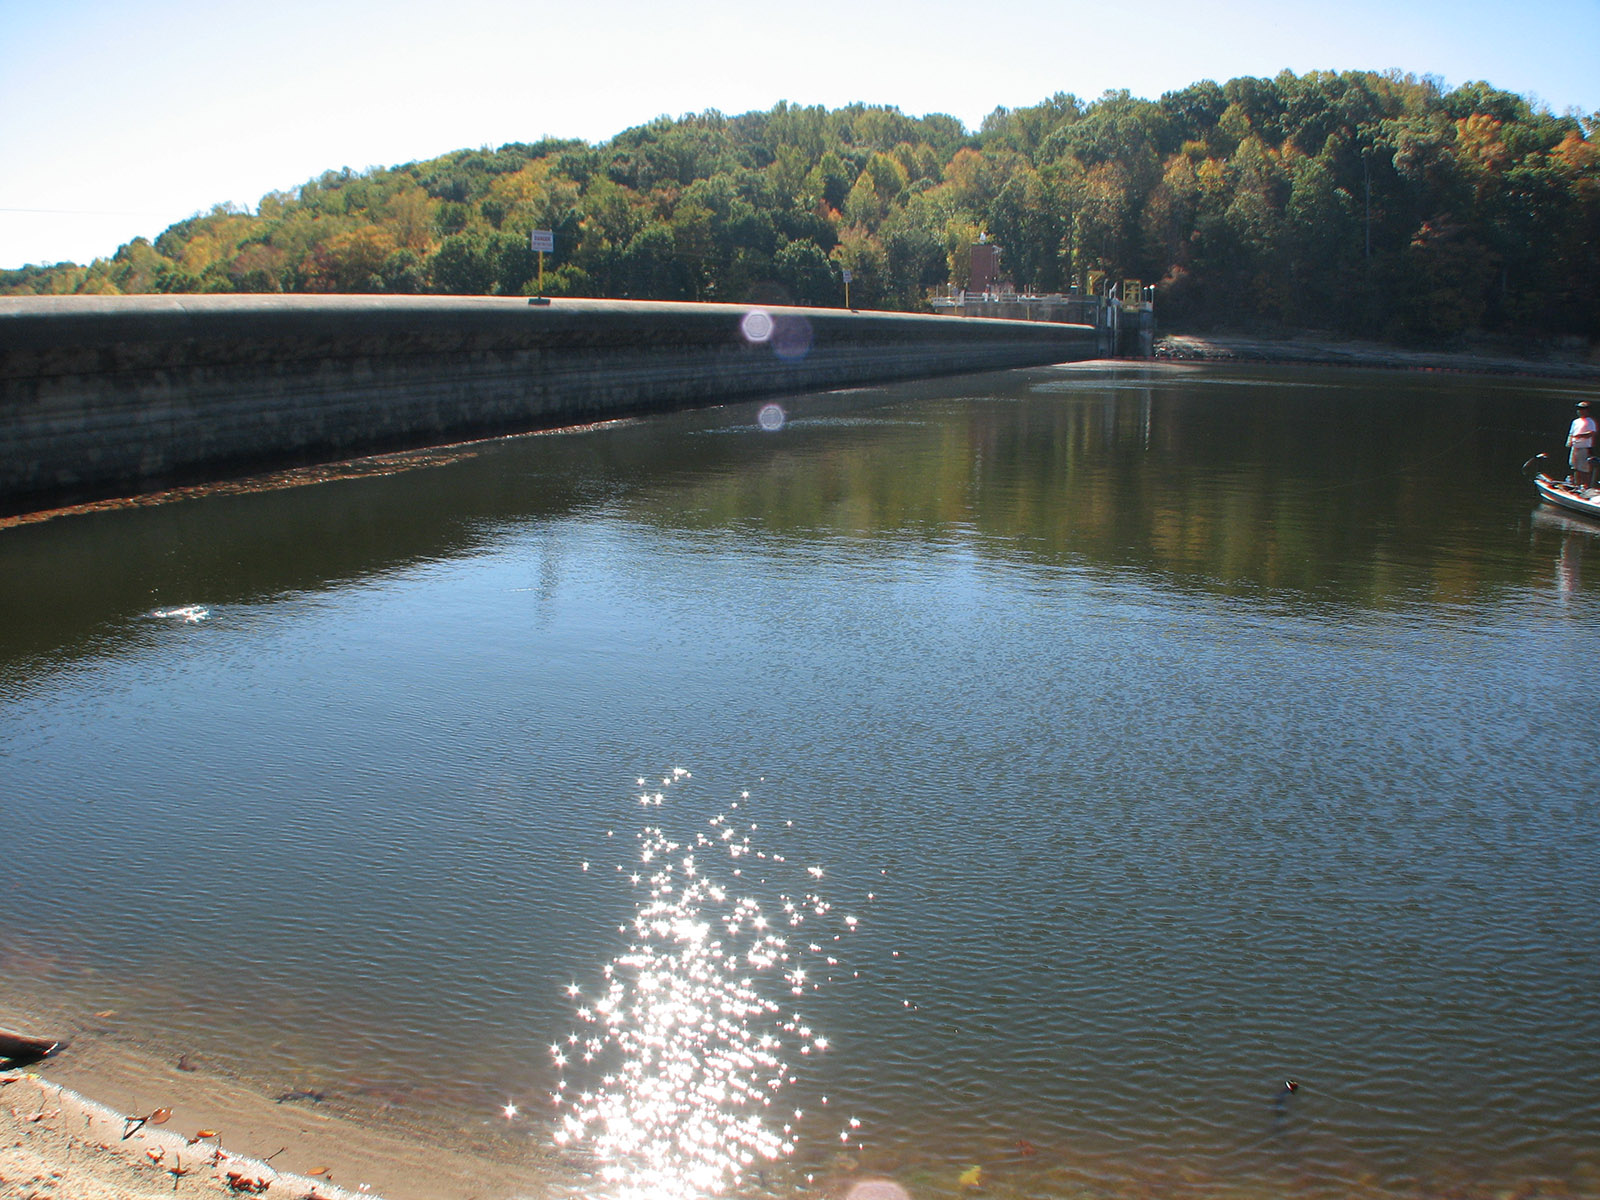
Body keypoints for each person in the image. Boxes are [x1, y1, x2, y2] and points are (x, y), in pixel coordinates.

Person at [1568, 400, 1597, 489]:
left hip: (1584, 448)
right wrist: (1569, 441)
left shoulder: (1590, 421)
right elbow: (1571, 433)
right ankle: (1577, 486)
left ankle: (1585, 486)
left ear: (1587, 410)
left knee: (1584, 468)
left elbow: (1591, 433)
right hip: (1575, 447)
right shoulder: (1576, 421)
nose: (1579, 411)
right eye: (1578, 409)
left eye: (1582, 409)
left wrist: (1580, 435)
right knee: (1575, 467)